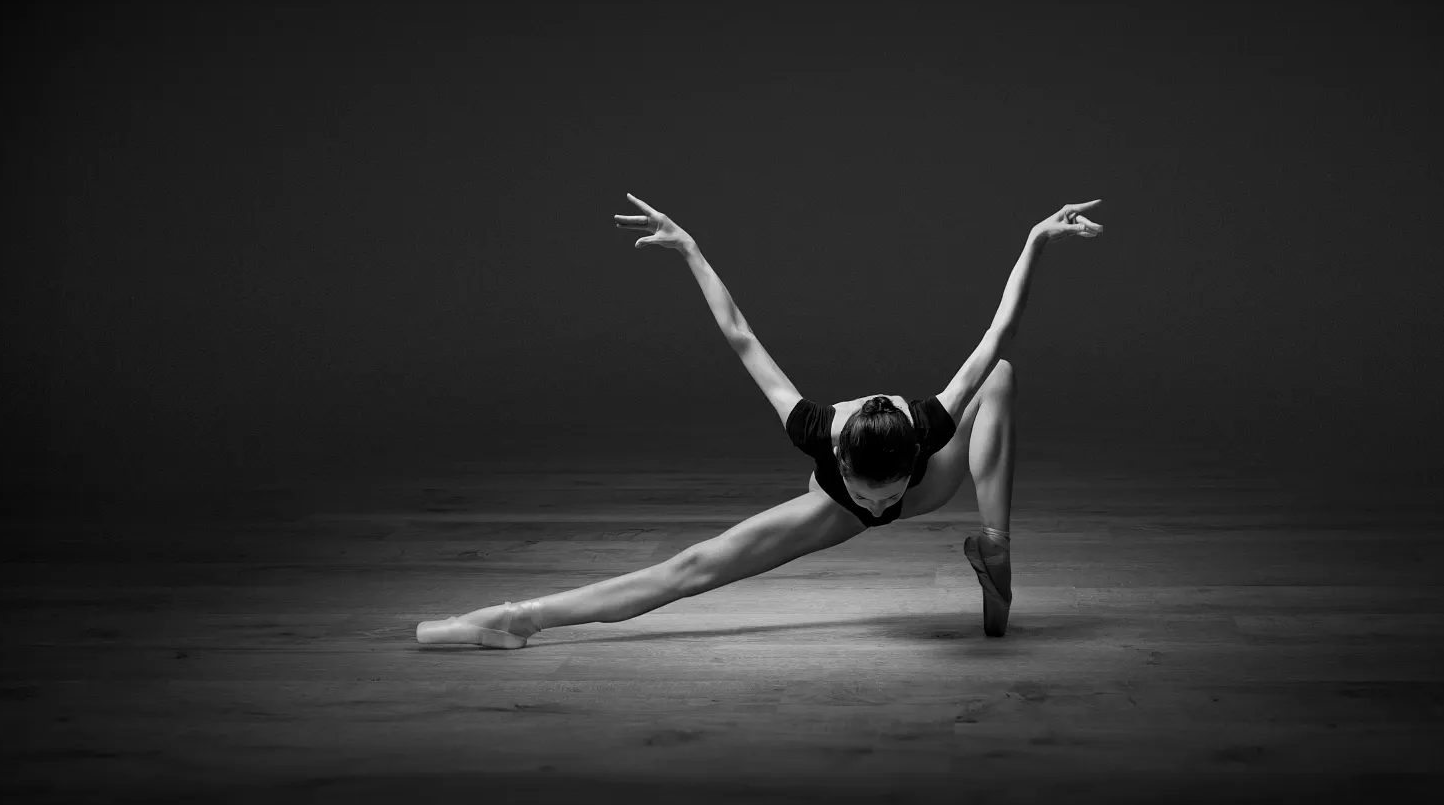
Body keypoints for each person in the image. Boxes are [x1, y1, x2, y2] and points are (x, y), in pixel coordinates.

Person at [415, 193, 1103, 649]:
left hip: (936, 486)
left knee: (1001, 377)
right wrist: (689, 248)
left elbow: (999, 330)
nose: (880, 509)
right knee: (692, 567)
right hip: (824, 510)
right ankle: (514, 620)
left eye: (882, 497)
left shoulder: (931, 422)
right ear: (840, 464)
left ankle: (994, 543)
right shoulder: (811, 428)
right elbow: (741, 335)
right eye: (872, 496)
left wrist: (1036, 238)